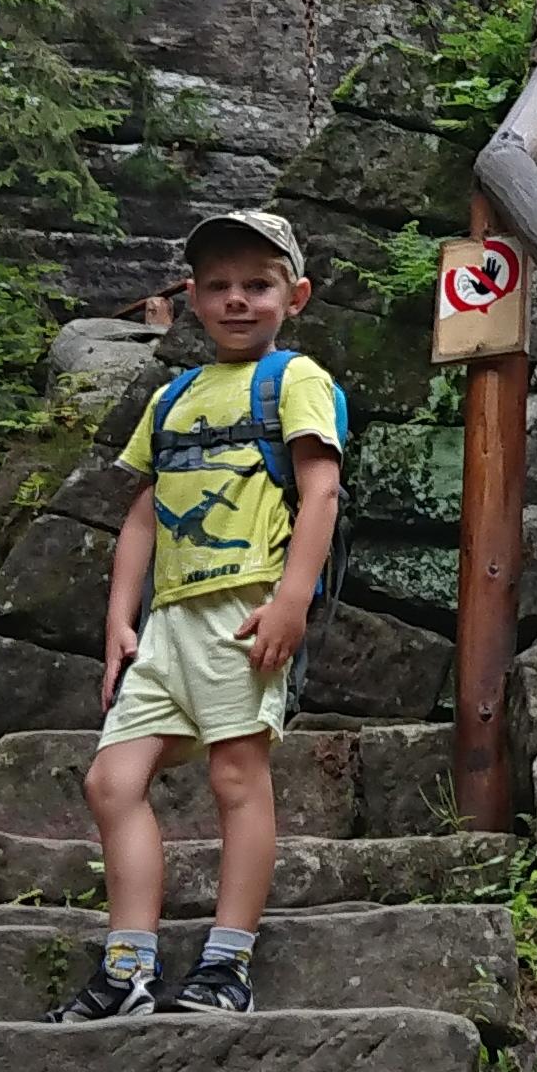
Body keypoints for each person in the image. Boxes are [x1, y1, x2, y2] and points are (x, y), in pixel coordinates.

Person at [60, 207, 346, 1022]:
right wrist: (120, 621)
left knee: (235, 775)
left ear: (295, 296)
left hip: (243, 608)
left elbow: (321, 490)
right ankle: (128, 968)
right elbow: (144, 514)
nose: (236, 300)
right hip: (169, 622)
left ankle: (226, 963)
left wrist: (292, 600)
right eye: (218, 286)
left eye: (257, 285)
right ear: (192, 297)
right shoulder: (173, 396)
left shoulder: (295, 378)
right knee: (111, 781)